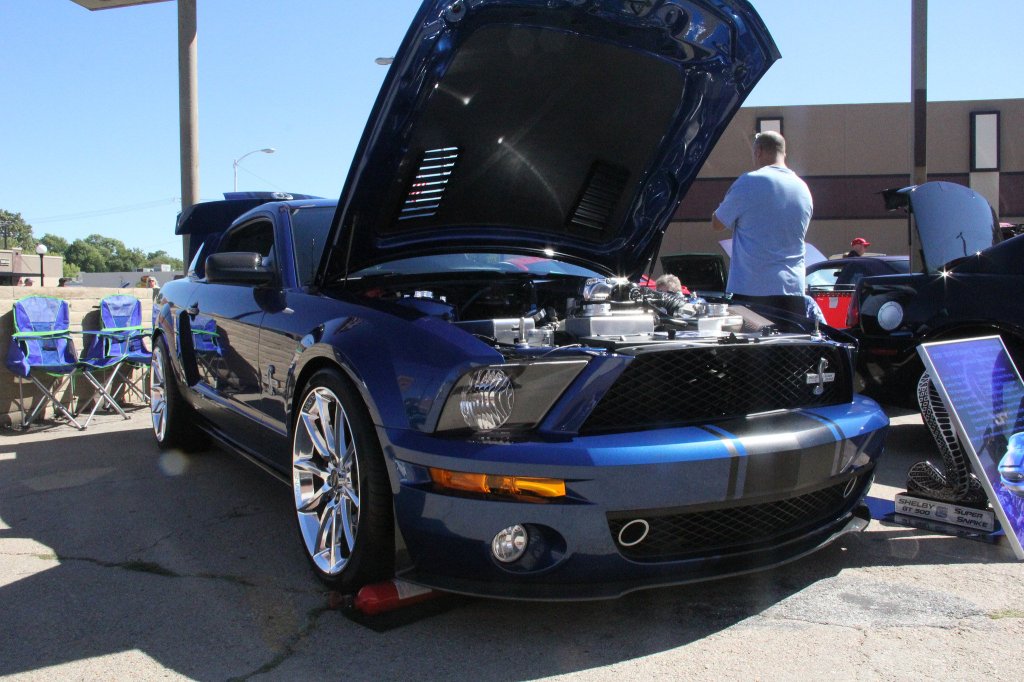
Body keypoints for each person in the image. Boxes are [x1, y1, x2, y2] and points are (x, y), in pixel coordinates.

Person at [712, 130, 813, 317]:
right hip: (793, 291)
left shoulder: (749, 181)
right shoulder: (802, 188)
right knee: (790, 337)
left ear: (758, 151)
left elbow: (717, 223)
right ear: (784, 153)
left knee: (751, 337)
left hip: (751, 290)